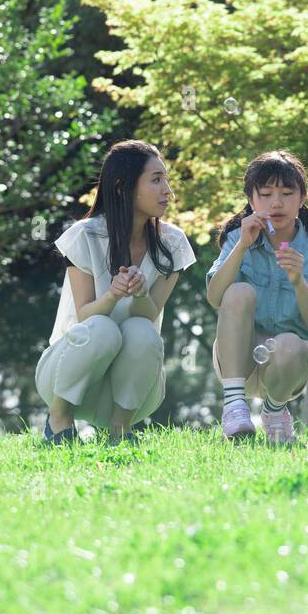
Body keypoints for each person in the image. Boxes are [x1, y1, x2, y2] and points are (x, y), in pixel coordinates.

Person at [35, 140, 195, 445]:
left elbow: (151, 313)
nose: (168, 191)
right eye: (156, 180)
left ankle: (121, 430)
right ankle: (58, 422)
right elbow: (83, 314)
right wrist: (111, 295)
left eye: (167, 180)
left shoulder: (173, 244)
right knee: (102, 328)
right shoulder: (84, 236)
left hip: (132, 391)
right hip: (66, 378)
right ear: (123, 187)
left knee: (142, 330)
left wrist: (140, 294)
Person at [207, 150, 308, 444]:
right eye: (265, 194)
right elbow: (215, 297)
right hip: (238, 360)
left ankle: (274, 411)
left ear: (302, 197)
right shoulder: (236, 240)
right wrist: (241, 247)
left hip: (288, 366)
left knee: (289, 343)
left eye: (287, 193)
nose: (276, 202)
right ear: (251, 201)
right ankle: (234, 405)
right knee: (238, 291)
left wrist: (298, 281)